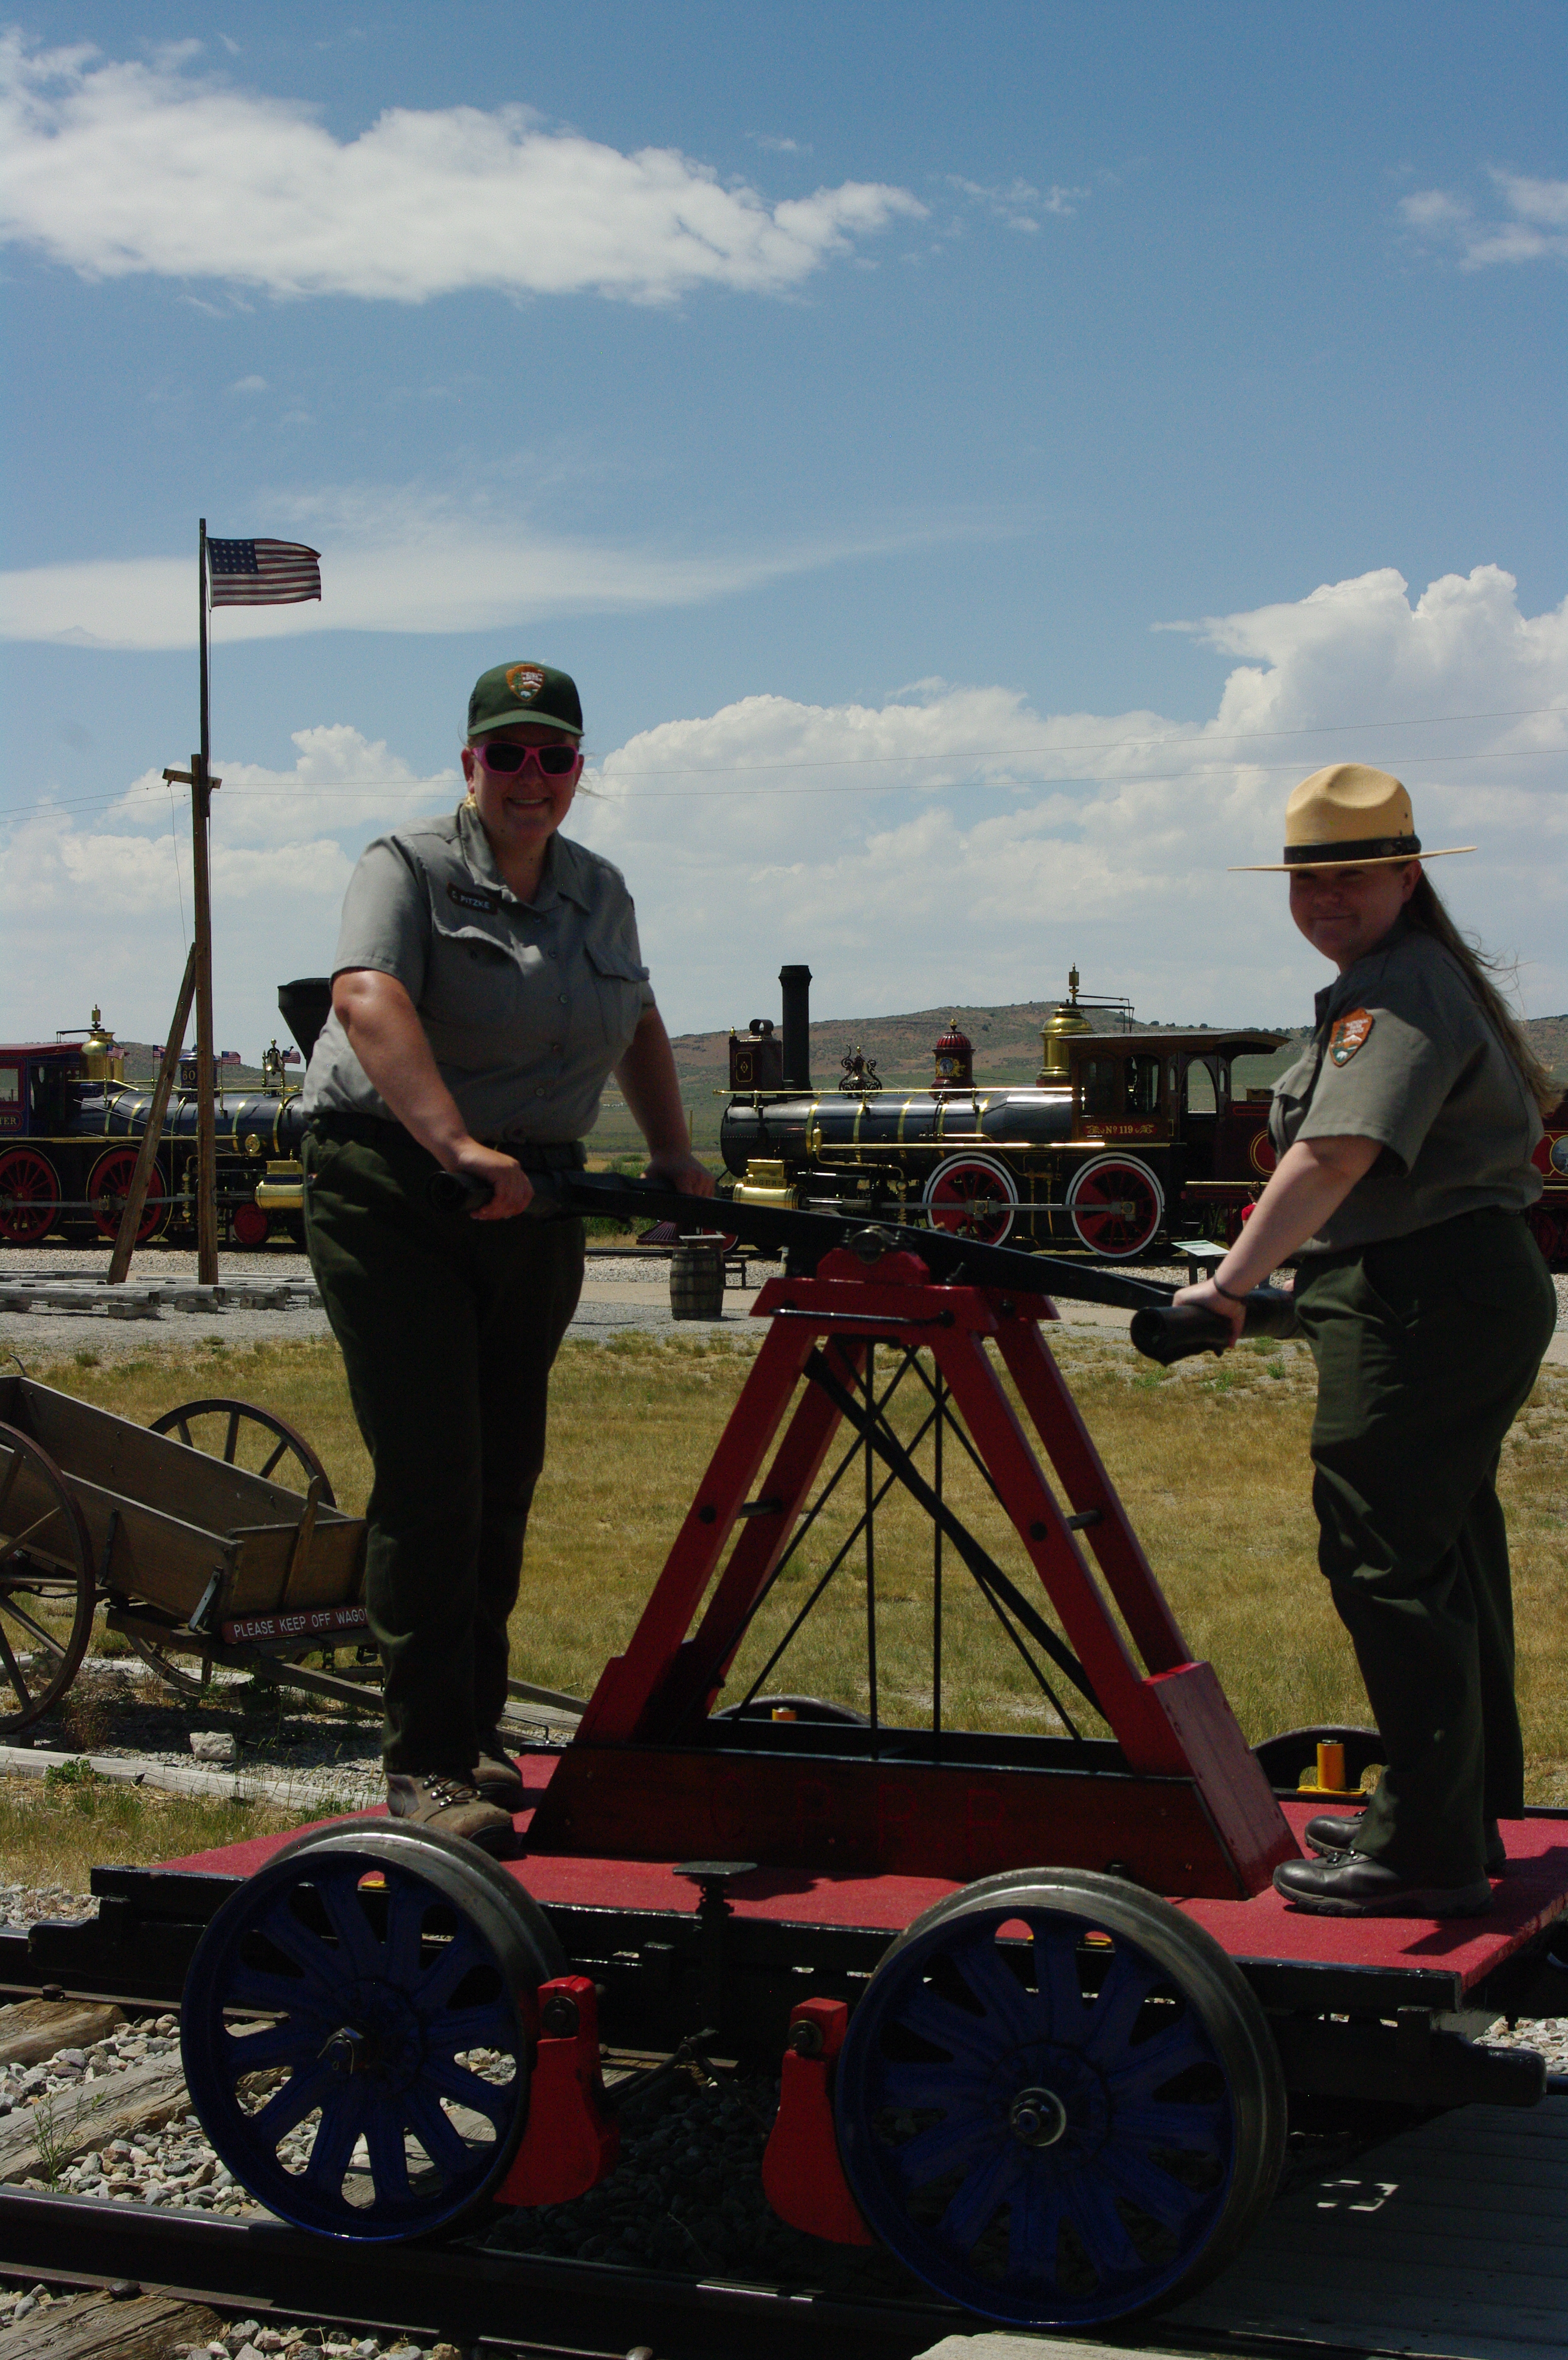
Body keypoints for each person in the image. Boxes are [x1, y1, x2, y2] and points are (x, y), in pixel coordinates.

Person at [300, 660, 714, 1853]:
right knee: (433, 1468)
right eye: (509, 755)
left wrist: (676, 1153)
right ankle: (427, 1760)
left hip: (533, 1190)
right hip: (396, 1181)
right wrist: (458, 1141)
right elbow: (369, 995)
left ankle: (474, 1727)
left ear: (580, 769)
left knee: (504, 1466)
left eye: (557, 756)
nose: (533, 779)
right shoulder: (409, 865)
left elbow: (633, 1013)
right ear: (470, 763)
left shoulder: (599, 889)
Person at [1175, 763, 1556, 1917]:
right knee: (1442, 1549)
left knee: (1384, 1554)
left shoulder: (1397, 991)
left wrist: (1226, 1290)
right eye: (1305, 879)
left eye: (1348, 875)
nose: (1322, 897)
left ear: (1406, 872)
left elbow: (1334, 1154)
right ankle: (1456, 1807)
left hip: (1426, 1294)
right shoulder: (1409, 979)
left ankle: (1430, 1843)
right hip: (1439, 1284)